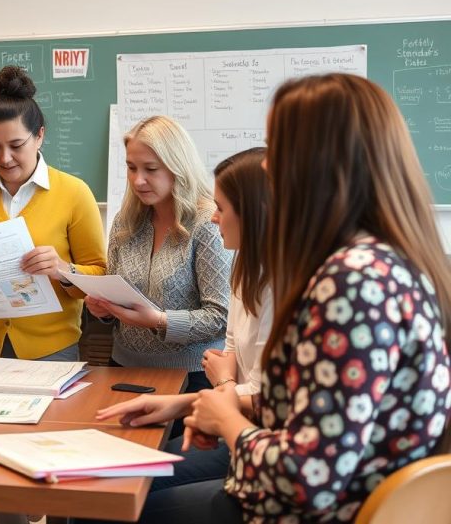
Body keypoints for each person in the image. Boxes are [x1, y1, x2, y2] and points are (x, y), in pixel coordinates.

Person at [83, 73, 451, 523]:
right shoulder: (376, 263)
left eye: (275, 149)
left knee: (110, 504)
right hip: (324, 496)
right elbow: (319, 409)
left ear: (316, 164)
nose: (263, 166)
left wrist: (226, 418)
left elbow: (306, 477)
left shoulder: (353, 284)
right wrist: (196, 404)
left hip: (309, 510)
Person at [97, 147, 272, 496]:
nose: (213, 217)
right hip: (227, 411)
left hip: (256, 443)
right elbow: (235, 349)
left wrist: (218, 387)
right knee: (104, 481)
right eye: (131, 168)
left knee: (117, 492)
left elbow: (255, 389)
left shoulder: (286, 287)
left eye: (221, 209)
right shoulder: (246, 269)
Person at [0, 65, 107, 363]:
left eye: (16, 145)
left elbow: (100, 273)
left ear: (39, 136)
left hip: (50, 349)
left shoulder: (74, 193)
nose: (4, 158)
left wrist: (62, 269)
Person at [85, 115, 231, 396]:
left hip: (192, 376)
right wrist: (103, 310)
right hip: (123, 368)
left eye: (151, 169)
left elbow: (220, 317)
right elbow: (116, 296)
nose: (138, 181)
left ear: (178, 167)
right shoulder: (125, 221)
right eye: (131, 168)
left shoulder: (207, 224)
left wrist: (157, 320)